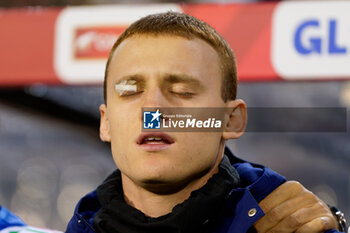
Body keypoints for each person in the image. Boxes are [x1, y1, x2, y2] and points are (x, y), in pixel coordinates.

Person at [0, 11, 345, 233]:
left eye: (181, 91)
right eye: (130, 91)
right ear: (105, 123)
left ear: (231, 119)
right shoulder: (81, 225)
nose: (152, 108)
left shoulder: (293, 225)